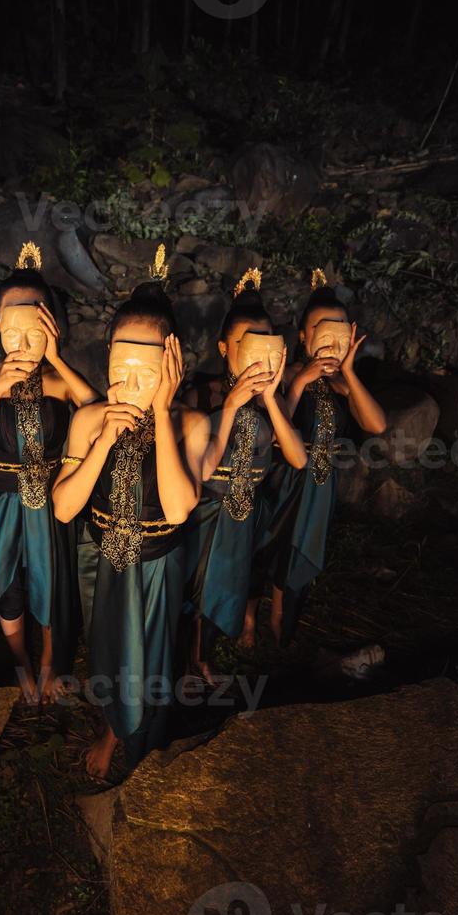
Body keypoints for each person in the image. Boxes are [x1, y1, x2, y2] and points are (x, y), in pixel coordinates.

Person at [53, 259, 209, 778]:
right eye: (121, 373)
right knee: (106, 654)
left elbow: (180, 506)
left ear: (172, 366)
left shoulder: (190, 424)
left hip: (156, 564)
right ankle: (111, 726)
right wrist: (100, 442)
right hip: (100, 558)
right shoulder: (88, 419)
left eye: (147, 374)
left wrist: (161, 412)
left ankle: (143, 747)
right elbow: (63, 506)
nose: (131, 386)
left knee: (151, 662)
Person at [0, 243, 98, 704]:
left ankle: (52, 662)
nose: (21, 342)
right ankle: (21, 664)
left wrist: (54, 359)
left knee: (52, 581)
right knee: (7, 584)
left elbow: (96, 409)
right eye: (11, 331)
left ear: (51, 326)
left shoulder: (58, 379)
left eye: (34, 331)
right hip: (1, 498)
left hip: (52, 498)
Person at [182, 268, 307, 676]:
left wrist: (272, 399)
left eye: (266, 346)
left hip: (245, 512)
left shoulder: (273, 402)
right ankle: (192, 663)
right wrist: (232, 405)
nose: (256, 357)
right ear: (224, 347)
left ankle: (209, 653)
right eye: (244, 345)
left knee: (230, 585)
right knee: (196, 589)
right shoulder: (203, 394)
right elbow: (197, 466)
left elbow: (298, 457)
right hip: (206, 510)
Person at [253, 269, 387, 646]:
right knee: (269, 543)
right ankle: (247, 615)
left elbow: (375, 424)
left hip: (321, 480)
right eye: (321, 331)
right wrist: (299, 381)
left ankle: (280, 612)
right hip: (284, 474)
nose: (332, 340)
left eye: (341, 330)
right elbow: (275, 427)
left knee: (301, 545)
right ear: (303, 336)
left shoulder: (345, 385)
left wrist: (348, 372)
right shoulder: (288, 373)